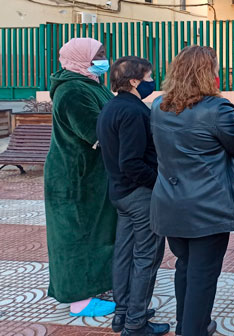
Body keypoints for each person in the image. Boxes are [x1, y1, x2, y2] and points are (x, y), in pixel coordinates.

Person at [150, 46, 234, 336]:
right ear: (206, 73)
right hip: (208, 207)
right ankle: (193, 329)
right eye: (216, 68)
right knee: (203, 276)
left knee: (186, 268)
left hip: (170, 203)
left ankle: (189, 325)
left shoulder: (159, 106)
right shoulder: (217, 109)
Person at [44, 37, 118, 317]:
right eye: (99, 54)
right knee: (76, 236)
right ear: (81, 57)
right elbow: (95, 131)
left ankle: (96, 286)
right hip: (74, 179)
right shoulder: (73, 90)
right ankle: (79, 299)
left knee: (97, 233)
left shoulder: (88, 84)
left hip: (91, 176)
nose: (104, 58)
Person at [96, 56, 169, 336]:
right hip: (139, 195)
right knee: (146, 257)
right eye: (149, 77)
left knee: (124, 254)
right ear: (135, 81)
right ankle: (136, 322)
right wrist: (157, 185)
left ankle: (123, 312)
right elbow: (132, 162)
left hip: (120, 193)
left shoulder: (111, 107)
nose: (153, 82)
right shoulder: (134, 112)